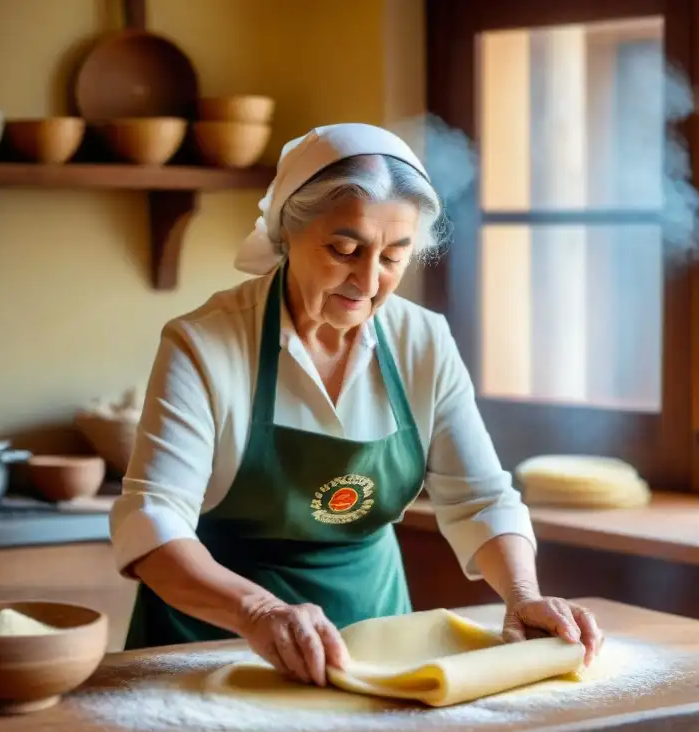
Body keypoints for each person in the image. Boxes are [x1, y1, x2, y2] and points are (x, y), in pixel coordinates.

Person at [109, 122, 603, 687]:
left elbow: (480, 498)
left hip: (375, 641)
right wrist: (259, 612)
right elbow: (152, 521)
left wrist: (522, 596)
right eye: (345, 249)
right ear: (288, 233)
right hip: (211, 644)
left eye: (394, 257)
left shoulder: (424, 342)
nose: (368, 281)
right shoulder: (204, 345)